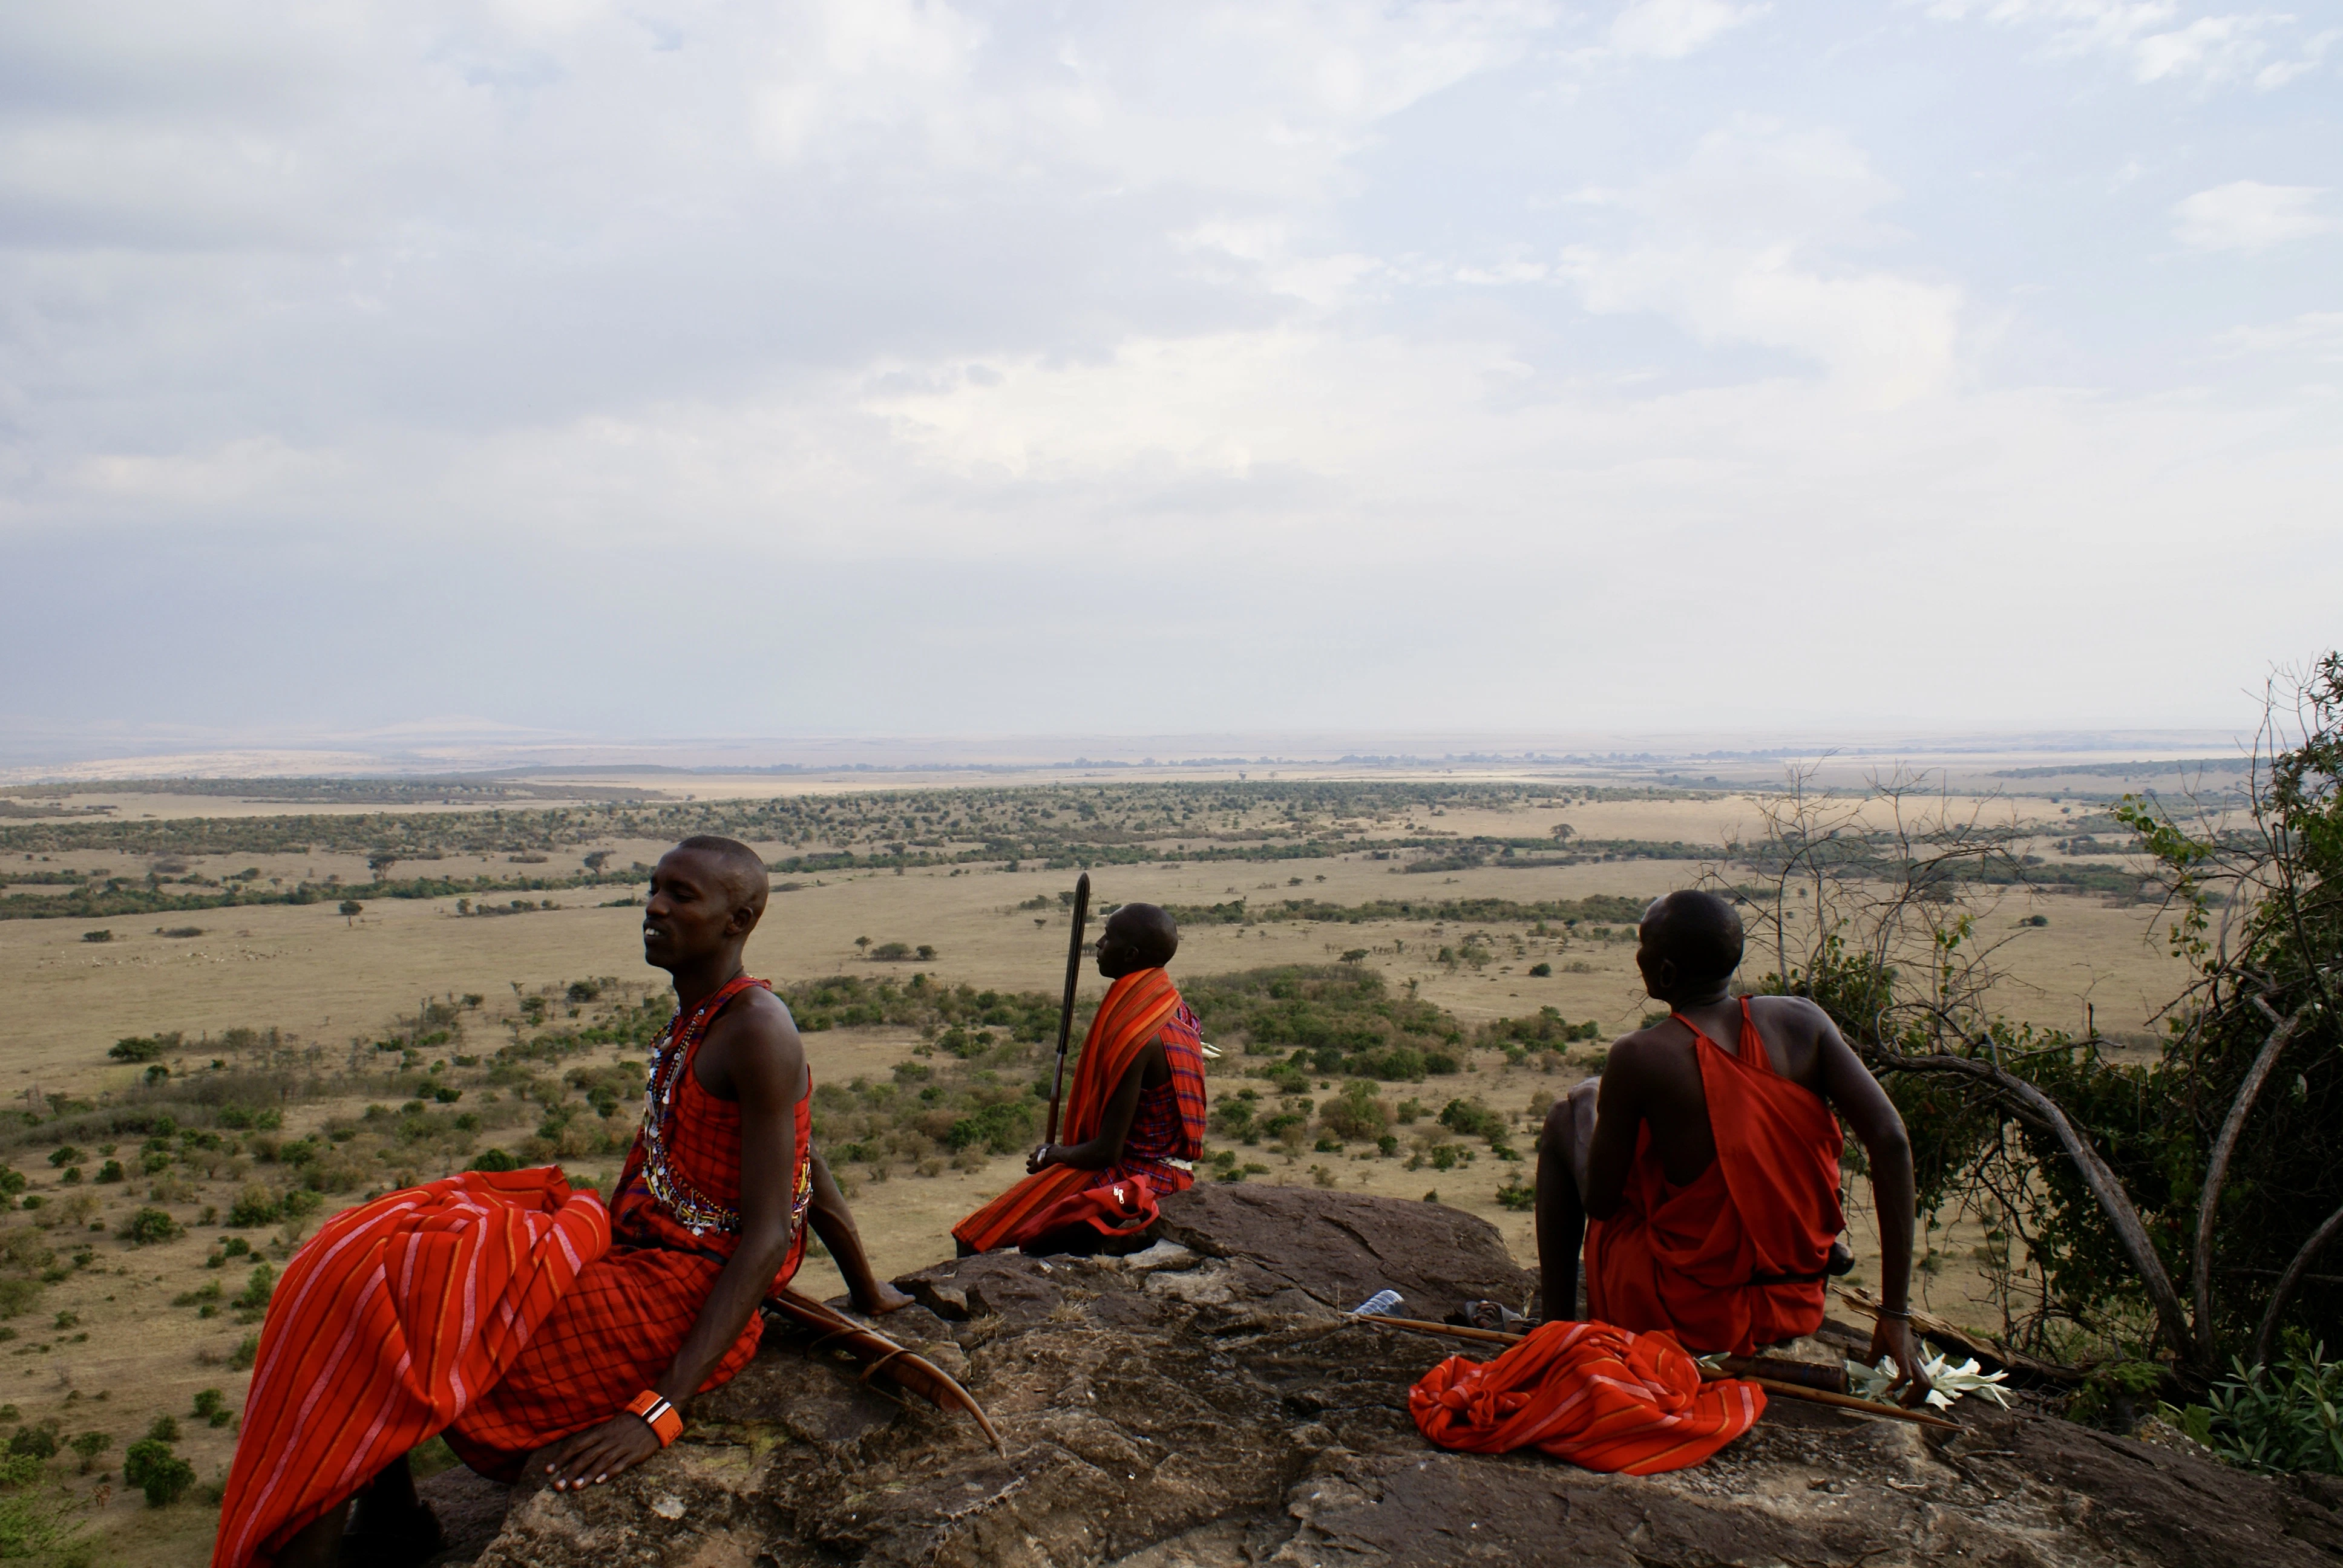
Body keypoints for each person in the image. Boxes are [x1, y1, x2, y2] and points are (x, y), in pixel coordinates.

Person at [216, 835, 910, 1568]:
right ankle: (391, 1516)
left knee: (405, 1317)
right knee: (375, 1259)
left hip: (678, 1289)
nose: (653, 906)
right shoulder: (706, 1015)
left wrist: (658, 1411)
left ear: (738, 919)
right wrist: (868, 1288)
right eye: (653, 887)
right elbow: (807, 1157)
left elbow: (770, 1234)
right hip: (634, 1246)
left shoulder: (757, 1029)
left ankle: (363, 1533)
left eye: (681, 895)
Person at [1535, 890, 1933, 1403]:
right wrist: (1894, 1314)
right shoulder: (1803, 1021)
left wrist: (1587, 1112)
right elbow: (1893, 1140)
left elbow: (1602, 1203)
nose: (1638, 957)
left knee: (1569, 1112)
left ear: (1667, 973)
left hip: (1688, 1314)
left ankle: (1555, 1334)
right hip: (1794, 1302)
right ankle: (1814, 1245)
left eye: (1643, 945)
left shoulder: (1640, 1055)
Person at [950, 902, 1207, 1255]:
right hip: (1164, 1169)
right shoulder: (1172, 1007)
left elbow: (1106, 1151)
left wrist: (1053, 1155)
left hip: (1134, 1181)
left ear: (1131, 955)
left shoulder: (1140, 1035)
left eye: (1109, 938)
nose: (1099, 945)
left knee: (977, 1236)